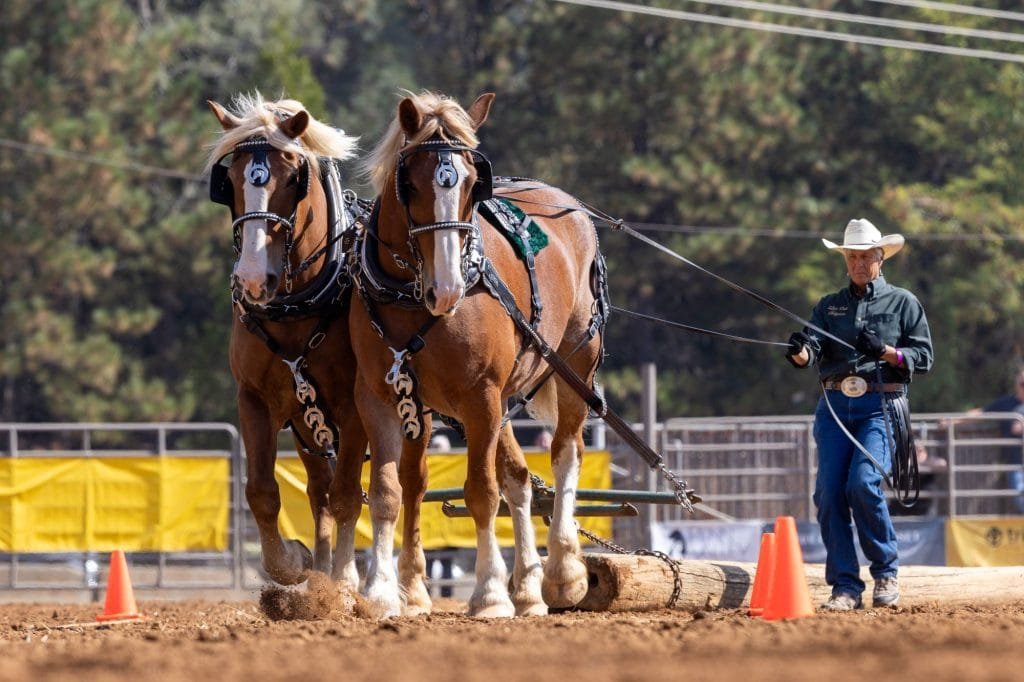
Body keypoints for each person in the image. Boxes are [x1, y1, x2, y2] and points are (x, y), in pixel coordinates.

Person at [784, 218, 933, 611]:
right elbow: (811, 348)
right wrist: (800, 353)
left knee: (863, 484)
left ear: (880, 258)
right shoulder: (828, 305)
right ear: (845, 259)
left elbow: (923, 356)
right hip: (833, 405)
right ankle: (845, 586)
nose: (859, 264)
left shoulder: (903, 302)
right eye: (852, 257)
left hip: (880, 406)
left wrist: (886, 352)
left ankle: (885, 572)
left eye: (866, 257)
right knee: (829, 493)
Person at [977, 370, 1024, 513]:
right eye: (1022, 383)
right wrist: (952, 421)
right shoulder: (1006, 403)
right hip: (1015, 465)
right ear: (1016, 385)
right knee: (1020, 499)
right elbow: (981, 413)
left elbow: (1018, 428)